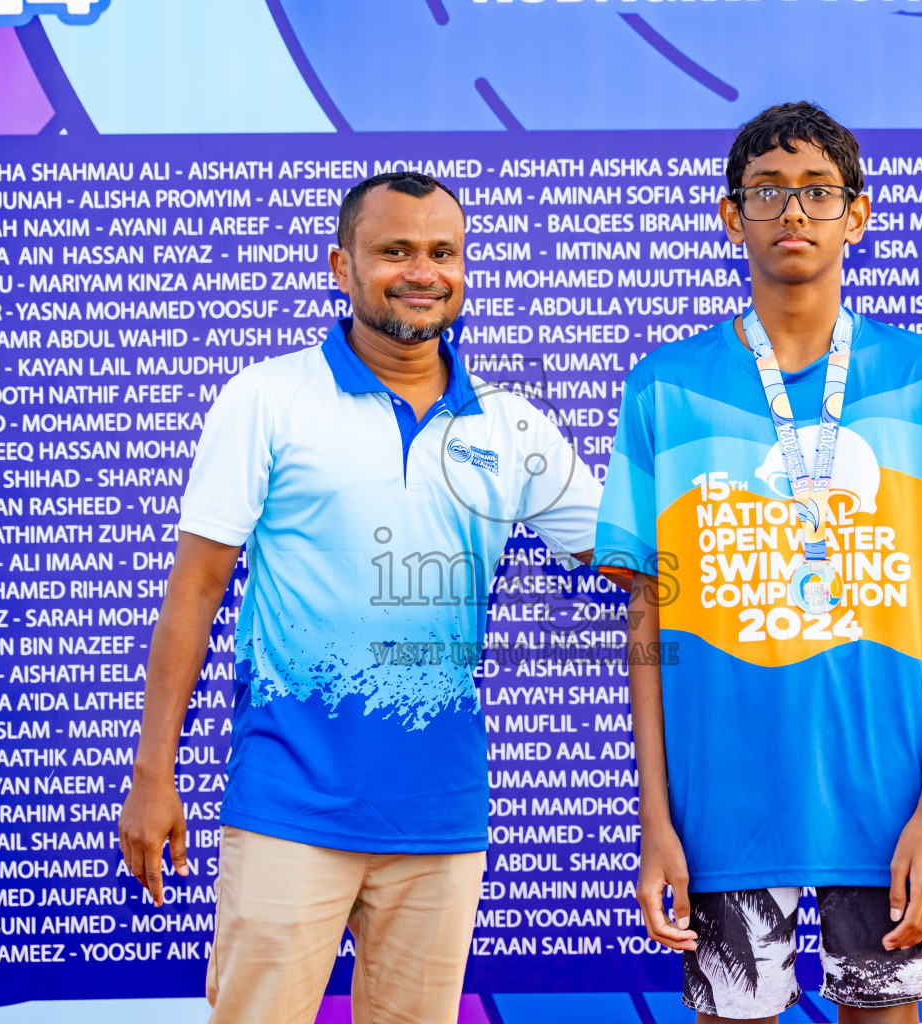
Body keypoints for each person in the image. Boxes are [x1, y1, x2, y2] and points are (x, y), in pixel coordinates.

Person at [117, 171, 603, 1024]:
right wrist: (153, 774)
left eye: (442, 253)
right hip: (287, 803)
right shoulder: (267, 397)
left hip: (440, 815)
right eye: (395, 252)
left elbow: (639, 563)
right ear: (342, 266)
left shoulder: (510, 425)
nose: (422, 272)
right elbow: (195, 590)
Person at [594, 102, 922, 1023]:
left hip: (883, 807)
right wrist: (656, 820)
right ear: (730, 216)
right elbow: (649, 619)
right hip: (724, 808)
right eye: (767, 193)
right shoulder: (668, 383)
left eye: (817, 193)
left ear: (857, 214)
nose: (792, 214)